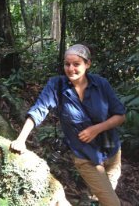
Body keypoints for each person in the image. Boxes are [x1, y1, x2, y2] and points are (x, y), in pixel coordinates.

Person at [10, 44, 126, 206]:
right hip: (86, 156)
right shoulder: (57, 86)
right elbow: (38, 110)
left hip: (111, 150)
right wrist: (21, 139)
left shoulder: (101, 85)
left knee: (103, 194)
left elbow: (120, 115)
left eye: (76, 64)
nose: (70, 68)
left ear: (88, 64)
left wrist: (96, 129)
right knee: (113, 203)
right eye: (67, 64)